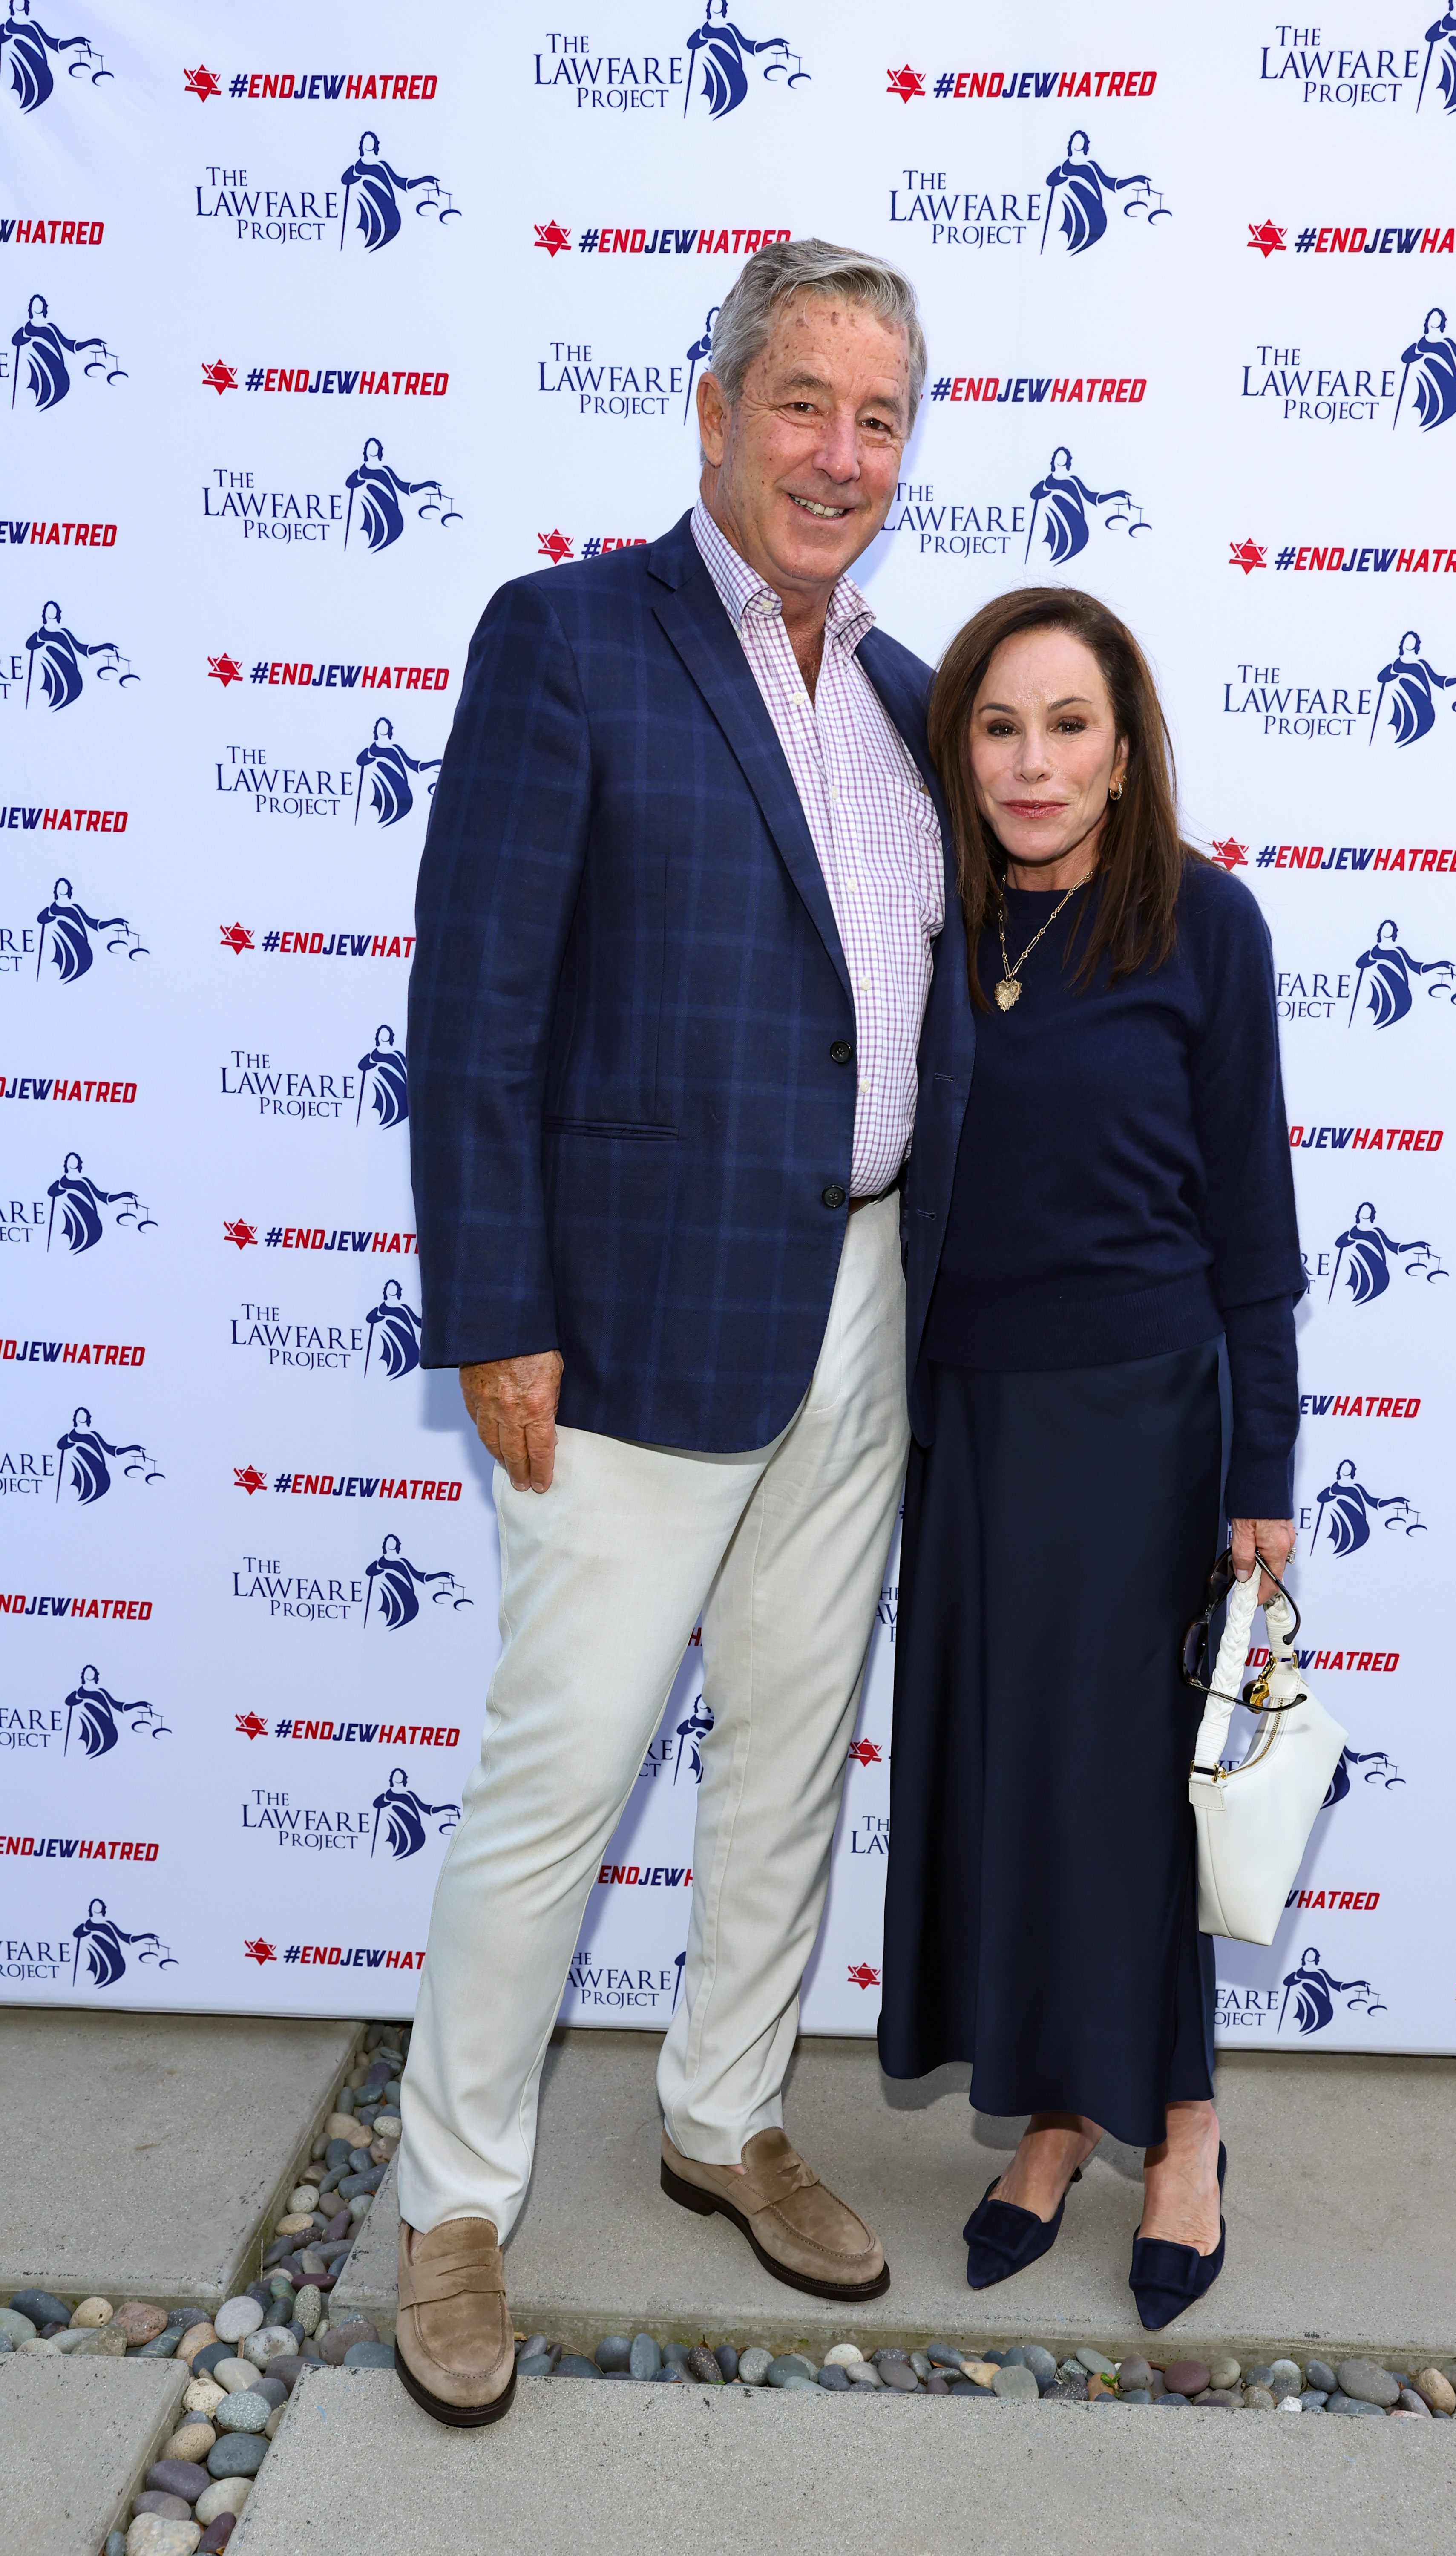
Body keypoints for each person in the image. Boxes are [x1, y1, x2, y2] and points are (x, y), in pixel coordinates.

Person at [399, 239, 968, 2427]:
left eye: (878, 416)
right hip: (626, 1321)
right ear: (714, 408)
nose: (838, 451)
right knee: (559, 1778)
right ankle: (458, 2199)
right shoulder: (566, 640)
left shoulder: (912, 692)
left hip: (867, 1297)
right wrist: (497, 1308)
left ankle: (723, 2113)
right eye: (802, 400)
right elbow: (474, 1008)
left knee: (797, 1752)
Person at [878, 587, 1302, 2331]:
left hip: (1142, 1424)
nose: (1032, 762)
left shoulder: (1206, 926)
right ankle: (1052, 2121)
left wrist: (1259, 1477)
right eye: (999, 726)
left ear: (1126, 752)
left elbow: (1258, 1233)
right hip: (969, 1417)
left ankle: (1182, 2128)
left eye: (1068, 725)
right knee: (1010, 1783)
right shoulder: (930, 922)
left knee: (1133, 1799)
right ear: (956, 748)